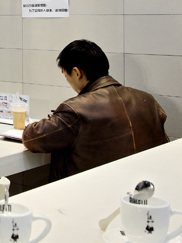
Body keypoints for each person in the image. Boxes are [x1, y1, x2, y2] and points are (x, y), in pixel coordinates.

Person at [22, 39, 168, 181]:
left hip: (91, 190)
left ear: (77, 73)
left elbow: (32, 138)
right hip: (144, 187)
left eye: (66, 75)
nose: (68, 81)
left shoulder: (76, 109)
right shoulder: (148, 100)